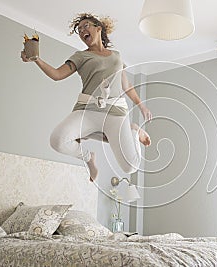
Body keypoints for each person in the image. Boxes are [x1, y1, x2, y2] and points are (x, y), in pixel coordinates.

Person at [21, 13, 152, 182]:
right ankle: (89, 158)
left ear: (99, 28)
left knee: (131, 167)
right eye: (80, 29)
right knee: (57, 141)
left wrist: (142, 106)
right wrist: (36, 59)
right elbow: (57, 74)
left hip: (116, 113)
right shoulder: (81, 56)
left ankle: (133, 131)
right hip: (87, 110)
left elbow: (126, 86)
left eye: (86, 26)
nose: (82, 31)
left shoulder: (116, 56)